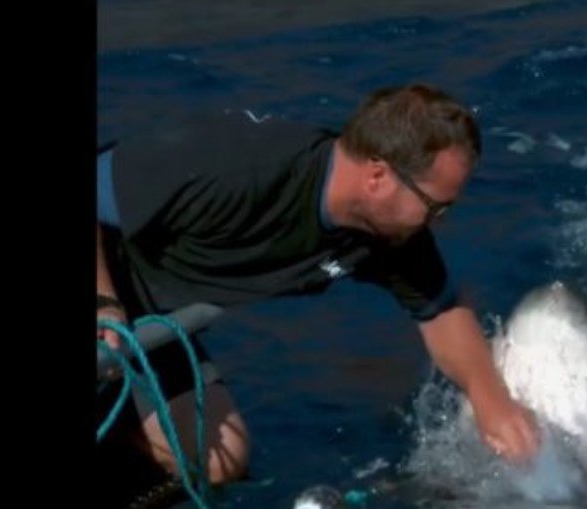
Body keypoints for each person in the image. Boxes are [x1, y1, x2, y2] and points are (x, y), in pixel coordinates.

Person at [96, 83, 541, 502]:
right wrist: (103, 302)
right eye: (436, 207)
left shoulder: (389, 237)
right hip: (105, 290)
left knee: (218, 457)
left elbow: (441, 312)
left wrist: (491, 403)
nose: (440, 222)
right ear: (378, 176)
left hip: (149, 314)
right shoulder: (234, 167)